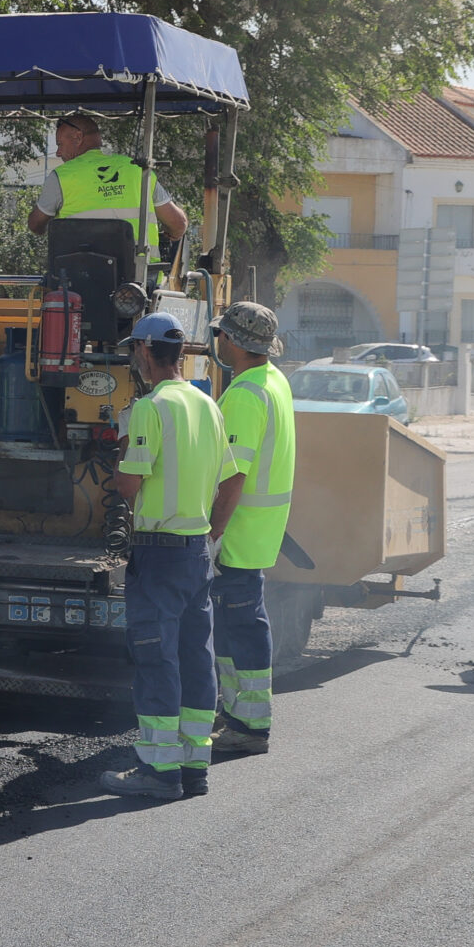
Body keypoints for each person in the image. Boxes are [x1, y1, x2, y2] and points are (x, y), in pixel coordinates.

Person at [101, 311, 239, 801]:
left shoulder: (149, 408)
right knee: (195, 657)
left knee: (156, 658)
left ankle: (158, 772)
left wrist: (121, 451)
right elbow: (228, 480)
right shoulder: (209, 406)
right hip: (196, 550)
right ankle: (193, 766)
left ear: (142, 352)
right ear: (180, 354)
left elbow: (129, 483)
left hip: (158, 554)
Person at [205, 301, 292, 759]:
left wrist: (213, 534)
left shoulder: (244, 395)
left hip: (239, 532)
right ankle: (241, 714)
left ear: (233, 342)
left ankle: (250, 724)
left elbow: (233, 475)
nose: (218, 342)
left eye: (221, 335)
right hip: (260, 529)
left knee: (240, 629)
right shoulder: (273, 381)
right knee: (242, 624)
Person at [25, 111, 190, 258]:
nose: (59, 153)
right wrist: (170, 235)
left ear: (78, 137)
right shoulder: (138, 170)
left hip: (79, 280)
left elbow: (35, 225)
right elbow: (178, 224)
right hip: (139, 281)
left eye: (60, 144)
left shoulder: (61, 176)